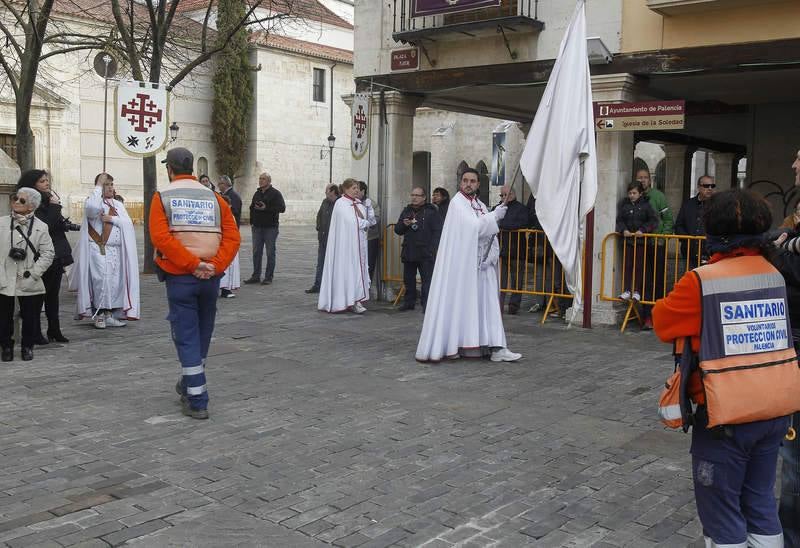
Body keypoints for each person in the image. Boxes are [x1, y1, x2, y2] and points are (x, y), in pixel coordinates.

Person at [653, 189, 799, 548]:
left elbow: (662, 322)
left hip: (727, 414)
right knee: (761, 502)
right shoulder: (773, 273)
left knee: (721, 512)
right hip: (775, 408)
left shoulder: (701, 280)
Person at [149, 147, 240, 420]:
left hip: (181, 276)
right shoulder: (215, 198)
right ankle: (191, 382)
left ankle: (198, 399)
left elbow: (162, 239)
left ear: (169, 169)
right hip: (211, 277)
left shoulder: (162, 197)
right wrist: (214, 265)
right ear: (192, 167)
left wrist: (192, 265)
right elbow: (232, 237)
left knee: (186, 335)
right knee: (202, 332)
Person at [415, 168, 521, 363]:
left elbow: (488, 233)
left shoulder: (479, 204)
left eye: (473, 181)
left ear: (478, 184)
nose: (468, 184)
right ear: (460, 182)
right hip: (464, 268)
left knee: (487, 307)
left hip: (482, 266)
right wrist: (495, 216)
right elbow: (474, 228)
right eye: (465, 180)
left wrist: (492, 255)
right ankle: (458, 343)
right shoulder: (457, 203)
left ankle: (496, 346)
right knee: (463, 306)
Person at [15, 169, 78, 344]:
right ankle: (34, 332)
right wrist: (56, 207)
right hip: (39, 256)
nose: (47, 183)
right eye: (42, 181)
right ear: (33, 184)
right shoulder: (29, 201)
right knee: (37, 296)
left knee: (52, 295)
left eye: (47, 180)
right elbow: (45, 225)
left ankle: (54, 329)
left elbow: (57, 224)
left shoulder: (49, 200)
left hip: (56, 253)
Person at [71, 173, 139, 329]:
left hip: (115, 251)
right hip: (98, 248)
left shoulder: (118, 205)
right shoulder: (93, 202)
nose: (110, 187)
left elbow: (127, 223)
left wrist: (112, 219)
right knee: (101, 280)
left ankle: (109, 314)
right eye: (106, 184)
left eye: (111, 184)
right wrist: (98, 186)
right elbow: (91, 210)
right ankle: (99, 314)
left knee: (114, 283)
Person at [0, 187, 54, 361]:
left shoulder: (41, 227)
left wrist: (34, 274)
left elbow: (48, 253)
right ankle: (6, 347)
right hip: (4, 277)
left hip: (29, 277)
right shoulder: (1, 223)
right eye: (15, 198)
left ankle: (27, 347)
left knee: (30, 316)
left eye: (22, 200)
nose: (16, 202)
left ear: (31, 206)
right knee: (3, 316)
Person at [318, 179, 370, 314]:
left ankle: (356, 300)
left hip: (358, 245)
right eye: (353, 188)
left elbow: (369, 219)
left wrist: (367, 214)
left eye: (357, 188)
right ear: (346, 189)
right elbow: (352, 222)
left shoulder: (359, 203)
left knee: (358, 271)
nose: (356, 190)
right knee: (347, 272)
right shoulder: (341, 203)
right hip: (346, 247)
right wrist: (365, 223)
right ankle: (344, 300)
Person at [636, 167, 674, 330]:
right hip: (640, 245)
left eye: (645, 177)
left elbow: (668, 219)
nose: (642, 180)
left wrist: (662, 238)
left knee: (657, 281)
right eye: (639, 178)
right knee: (643, 281)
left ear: (649, 180)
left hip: (656, 244)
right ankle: (646, 316)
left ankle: (657, 315)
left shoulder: (658, 196)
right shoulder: (634, 196)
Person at [394, 187, 442, 312]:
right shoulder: (406, 211)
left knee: (427, 280)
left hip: (425, 251)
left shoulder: (431, 212)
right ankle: (409, 303)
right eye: (412, 195)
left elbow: (438, 231)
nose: (414, 197)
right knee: (408, 279)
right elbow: (398, 230)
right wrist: (404, 224)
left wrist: (433, 248)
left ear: (424, 197)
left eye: (417, 195)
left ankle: (427, 304)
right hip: (409, 250)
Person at [616, 181, 657, 303]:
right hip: (628, 240)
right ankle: (627, 290)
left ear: (640, 193)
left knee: (639, 266)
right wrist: (623, 230)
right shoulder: (625, 205)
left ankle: (637, 291)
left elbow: (653, 221)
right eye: (630, 193)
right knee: (628, 265)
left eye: (634, 193)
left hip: (641, 241)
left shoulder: (646, 205)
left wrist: (643, 230)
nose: (632, 195)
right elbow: (619, 220)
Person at [495, 185, 530, 315]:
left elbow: (523, 223)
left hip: (516, 250)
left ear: (512, 194)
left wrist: (503, 226)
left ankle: (514, 306)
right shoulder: (498, 208)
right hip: (502, 250)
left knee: (517, 279)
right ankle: (499, 303)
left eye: (505, 195)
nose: (503, 197)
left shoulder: (521, 208)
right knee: (500, 280)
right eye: (501, 195)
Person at [245, 172, 285, 285]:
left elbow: (282, 208)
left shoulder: (276, 194)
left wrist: (266, 208)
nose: (260, 180)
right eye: (260, 178)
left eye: (263, 179)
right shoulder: (257, 193)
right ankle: (256, 276)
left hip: (270, 228)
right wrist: (252, 222)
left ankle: (268, 277)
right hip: (257, 227)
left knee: (270, 253)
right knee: (256, 252)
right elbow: (252, 207)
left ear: (268, 181)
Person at [306, 184, 339, 294]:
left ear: (333, 192)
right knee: (320, 263)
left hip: (334, 240)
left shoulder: (339, 204)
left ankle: (331, 287)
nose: (325, 194)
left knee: (333, 264)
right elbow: (319, 216)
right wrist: (319, 228)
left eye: (327, 192)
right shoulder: (325, 202)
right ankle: (317, 285)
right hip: (323, 238)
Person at [675, 175, 716, 262]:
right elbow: (679, 225)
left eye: (712, 186)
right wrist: (687, 239)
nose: (710, 188)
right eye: (706, 186)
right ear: (698, 187)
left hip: (710, 253)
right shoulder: (688, 204)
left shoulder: (718, 205)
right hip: (689, 252)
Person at [217, 175, 242, 299]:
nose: (218, 185)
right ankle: (225, 288)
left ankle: (225, 287)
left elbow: (236, 214)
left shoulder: (234, 197)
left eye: (220, 183)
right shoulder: (225, 216)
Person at [358, 181, 380, 281]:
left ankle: (367, 289)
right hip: (356, 238)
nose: (355, 192)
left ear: (363, 191)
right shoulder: (352, 203)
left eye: (357, 190)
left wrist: (364, 224)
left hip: (370, 238)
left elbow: (376, 219)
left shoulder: (371, 203)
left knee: (369, 264)